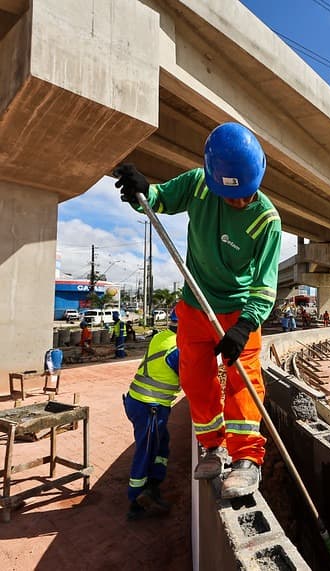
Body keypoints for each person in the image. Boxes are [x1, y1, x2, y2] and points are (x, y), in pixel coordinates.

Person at [114, 122, 282, 499]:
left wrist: (245, 325)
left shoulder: (267, 220)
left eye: (244, 194)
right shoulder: (199, 184)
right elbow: (160, 198)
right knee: (196, 379)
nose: (238, 201)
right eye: (230, 195)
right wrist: (142, 190)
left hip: (239, 312)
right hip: (195, 307)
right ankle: (213, 447)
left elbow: (265, 283)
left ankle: (246, 461)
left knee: (242, 381)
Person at [124, 309, 181, 521]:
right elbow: (191, 379)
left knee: (161, 444)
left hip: (140, 401)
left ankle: (154, 484)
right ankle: (136, 501)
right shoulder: (178, 348)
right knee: (146, 450)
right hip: (149, 406)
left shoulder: (161, 336)